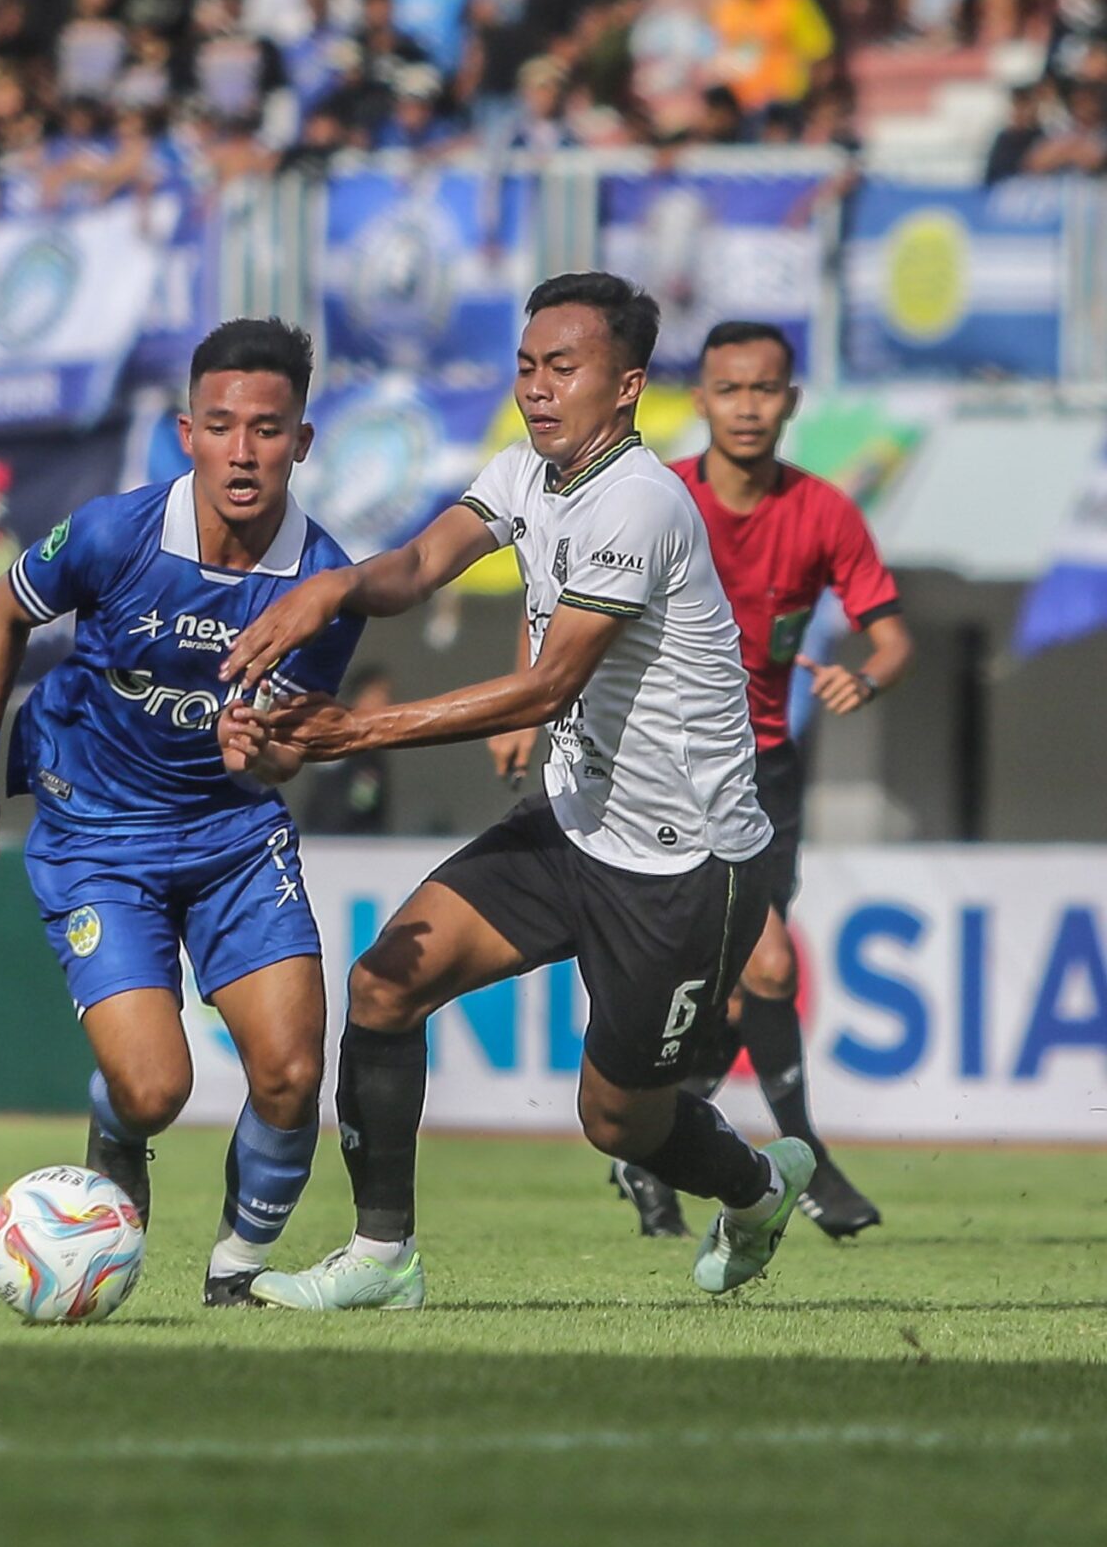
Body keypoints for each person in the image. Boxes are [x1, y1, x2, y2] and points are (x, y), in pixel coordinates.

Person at [217, 273, 811, 1310]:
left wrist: (352, 731)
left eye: (563, 369)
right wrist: (333, 587)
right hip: (573, 825)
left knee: (618, 1121)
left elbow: (547, 684)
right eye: (527, 367)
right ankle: (382, 1254)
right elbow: (412, 570)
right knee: (383, 987)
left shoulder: (639, 502)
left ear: (624, 388)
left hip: (683, 861)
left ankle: (758, 1190)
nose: (537, 389)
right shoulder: (524, 470)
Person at [0, 318, 364, 1308]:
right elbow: (2, 611)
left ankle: (234, 1276)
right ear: (186, 433)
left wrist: (271, 754)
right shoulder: (111, 534)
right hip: (94, 836)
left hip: (231, 839)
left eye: (267, 428)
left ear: (300, 440)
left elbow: (301, 739)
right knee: (154, 1090)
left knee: (292, 1075)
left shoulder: (325, 582)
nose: (242, 450)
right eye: (221, 425)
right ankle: (118, 1128)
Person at [498, 320, 907, 1240]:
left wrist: (868, 673)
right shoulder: (654, 493)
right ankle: (802, 1160)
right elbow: (548, 595)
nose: (748, 407)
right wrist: (530, 706)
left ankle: (651, 1143)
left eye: (766, 390)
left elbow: (891, 631)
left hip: (766, 771)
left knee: (737, 984)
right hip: (663, 774)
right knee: (766, 964)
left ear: (791, 402)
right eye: (730, 389)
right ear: (701, 398)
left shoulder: (824, 512)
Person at [297, 664, 392, 833]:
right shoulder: (341, 742)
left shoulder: (374, 756)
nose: (385, 703)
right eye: (377, 695)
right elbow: (329, 804)